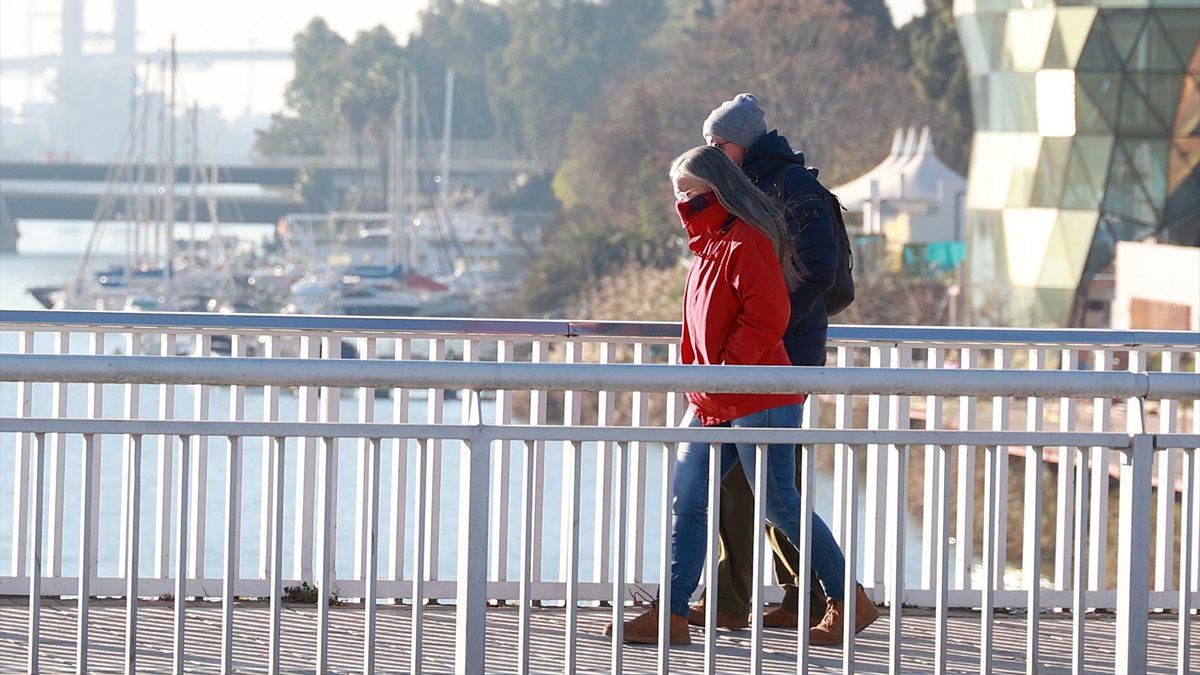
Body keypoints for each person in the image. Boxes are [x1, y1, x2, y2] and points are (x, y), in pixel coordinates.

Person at [603, 145, 870, 646]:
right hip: (713, 396)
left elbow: (768, 317)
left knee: (778, 504)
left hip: (757, 392)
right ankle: (673, 614)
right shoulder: (710, 244)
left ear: (716, 190)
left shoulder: (746, 240)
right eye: (677, 193)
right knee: (689, 499)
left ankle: (846, 598)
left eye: (688, 192)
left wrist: (726, 371)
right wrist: (702, 378)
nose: (681, 201)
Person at [689, 93, 876, 644]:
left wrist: (761, 327)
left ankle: (780, 599)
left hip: (777, 356)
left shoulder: (793, 187)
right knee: (762, 482)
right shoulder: (758, 185)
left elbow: (816, 267)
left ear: (741, 142)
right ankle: (790, 598)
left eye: (718, 143)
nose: (712, 152)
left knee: (763, 484)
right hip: (764, 356)